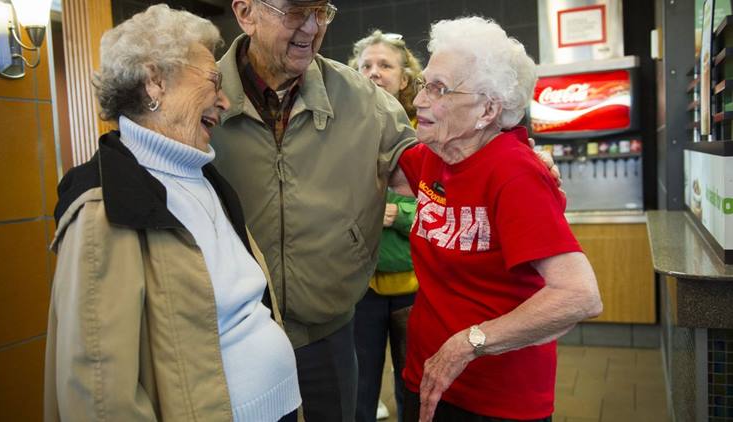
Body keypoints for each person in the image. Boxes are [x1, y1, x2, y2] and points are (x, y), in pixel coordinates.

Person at [211, 2, 561, 420]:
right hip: (231, 332)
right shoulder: (204, 90)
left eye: (321, 11)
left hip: (329, 330)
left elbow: (438, 167)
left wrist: (513, 160)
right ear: (246, 12)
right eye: (294, 11)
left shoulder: (363, 100)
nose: (311, 26)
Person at [43, 5, 300, 421]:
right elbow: (100, 394)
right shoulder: (103, 206)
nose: (225, 99)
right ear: (154, 82)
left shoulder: (203, 177)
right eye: (213, 81)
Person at [392, 17, 603, 422]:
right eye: (424, 85)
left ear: (488, 108)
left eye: (439, 89)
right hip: (428, 378)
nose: (419, 102)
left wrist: (468, 343)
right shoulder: (432, 156)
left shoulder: (515, 173)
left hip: (497, 397)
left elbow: (579, 295)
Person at [348, 30, 422, 422]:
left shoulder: (424, 129)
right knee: (359, 388)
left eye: (385, 65)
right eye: (365, 66)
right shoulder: (346, 131)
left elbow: (444, 203)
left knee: (414, 387)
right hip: (363, 286)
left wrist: (398, 214)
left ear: (405, 78)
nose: (374, 73)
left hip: (415, 286)